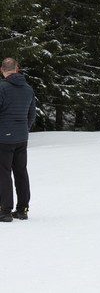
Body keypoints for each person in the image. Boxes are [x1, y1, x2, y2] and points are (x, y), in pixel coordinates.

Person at [0, 58, 36, 222]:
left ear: (2, 70)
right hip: (21, 138)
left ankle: (5, 210)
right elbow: (31, 115)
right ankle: (22, 209)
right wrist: (23, 129)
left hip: (4, 138)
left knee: (3, 172)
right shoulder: (28, 89)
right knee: (21, 171)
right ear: (17, 69)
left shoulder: (2, 88)